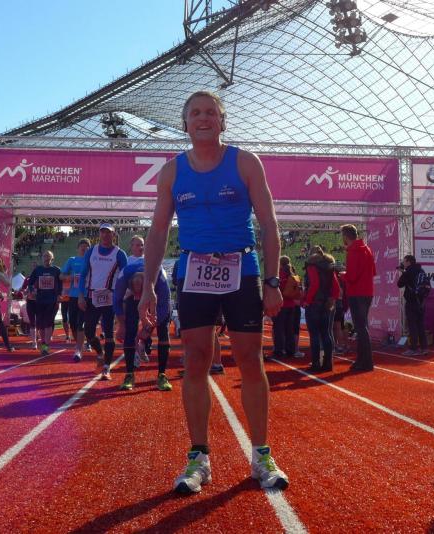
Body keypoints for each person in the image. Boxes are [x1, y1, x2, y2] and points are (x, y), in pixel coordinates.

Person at [139, 91, 288, 494]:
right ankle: (198, 457)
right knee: (195, 360)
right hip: (194, 272)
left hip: (242, 269)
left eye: (210, 112)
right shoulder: (171, 172)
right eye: (195, 113)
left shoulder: (245, 162)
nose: (203, 118)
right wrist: (148, 287)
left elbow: (269, 225)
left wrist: (272, 281)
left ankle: (261, 455)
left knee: (250, 359)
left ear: (222, 121)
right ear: (185, 123)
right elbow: (157, 232)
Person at [113, 255, 172, 391]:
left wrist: (148, 328)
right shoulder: (124, 276)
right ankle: (129, 374)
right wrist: (121, 325)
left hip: (156, 297)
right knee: (129, 331)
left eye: (140, 293)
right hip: (132, 299)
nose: (139, 296)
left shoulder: (159, 275)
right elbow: (116, 302)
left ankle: (162, 375)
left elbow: (165, 305)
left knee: (163, 332)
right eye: (136, 291)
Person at [78, 224, 128, 379]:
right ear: (99, 234)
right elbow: (83, 274)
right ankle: (100, 353)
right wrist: (80, 295)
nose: (105, 235)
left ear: (114, 235)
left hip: (110, 298)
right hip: (91, 296)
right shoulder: (91, 251)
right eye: (103, 232)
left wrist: (121, 296)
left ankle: (106, 367)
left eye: (109, 232)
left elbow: (125, 277)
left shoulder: (120, 254)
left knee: (108, 333)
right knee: (88, 331)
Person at [341, 224, 376, 371]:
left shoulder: (353, 251)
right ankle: (362, 360)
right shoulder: (367, 249)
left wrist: (343, 275)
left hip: (356, 293)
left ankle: (366, 362)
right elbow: (373, 272)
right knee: (362, 327)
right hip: (367, 292)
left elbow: (352, 277)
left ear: (345, 236)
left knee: (361, 328)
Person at [303, 249, 340, 372]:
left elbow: (314, 284)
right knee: (326, 333)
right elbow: (336, 288)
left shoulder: (311, 266)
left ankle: (316, 363)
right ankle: (328, 363)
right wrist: (331, 299)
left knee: (314, 335)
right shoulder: (330, 268)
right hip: (326, 304)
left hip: (314, 304)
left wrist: (307, 300)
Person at [27, 250, 61, 355]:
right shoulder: (38, 270)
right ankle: (43, 343)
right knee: (40, 324)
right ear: (42, 258)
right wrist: (32, 291)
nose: (46, 258)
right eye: (45, 256)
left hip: (51, 301)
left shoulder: (56, 270)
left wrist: (59, 295)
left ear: (52, 259)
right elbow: (30, 283)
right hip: (40, 300)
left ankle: (46, 345)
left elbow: (61, 284)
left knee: (48, 323)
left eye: (48, 256)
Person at [61, 238, 90, 361]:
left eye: (86, 246)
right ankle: (80, 344)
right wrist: (70, 278)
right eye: (82, 246)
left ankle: (78, 349)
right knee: (72, 323)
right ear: (78, 248)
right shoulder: (72, 260)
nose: (84, 248)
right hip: (73, 296)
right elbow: (61, 275)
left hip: (87, 296)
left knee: (81, 323)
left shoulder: (91, 260)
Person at [397, 255, 428, 356]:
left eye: (404, 261)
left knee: (412, 326)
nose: (403, 263)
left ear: (409, 262)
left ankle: (413, 348)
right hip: (421, 302)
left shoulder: (408, 271)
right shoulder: (421, 271)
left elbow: (399, 284)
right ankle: (424, 348)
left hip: (411, 301)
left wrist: (403, 273)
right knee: (421, 325)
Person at [271, 256, 300, 358]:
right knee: (289, 328)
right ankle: (290, 350)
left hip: (282, 304)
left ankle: (279, 350)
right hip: (292, 304)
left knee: (279, 328)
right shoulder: (294, 274)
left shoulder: (279, 274)